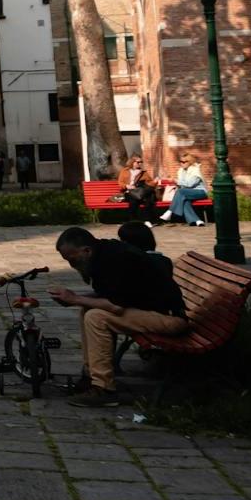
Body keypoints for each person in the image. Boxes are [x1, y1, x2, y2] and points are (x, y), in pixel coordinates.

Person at [50, 226, 188, 407]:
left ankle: (104, 388)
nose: (71, 264)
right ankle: (91, 376)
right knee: (86, 310)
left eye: (72, 259)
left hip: (170, 319)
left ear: (86, 250)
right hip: (149, 311)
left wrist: (75, 298)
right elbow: (110, 296)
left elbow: (115, 307)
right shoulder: (102, 255)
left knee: (96, 317)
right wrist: (76, 299)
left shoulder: (114, 260)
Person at [160, 154, 208, 226]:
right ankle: (197, 220)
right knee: (184, 200)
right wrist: (177, 183)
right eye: (180, 161)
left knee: (180, 192)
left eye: (184, 162)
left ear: (190, 162)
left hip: (200, 192)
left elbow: (190, 184)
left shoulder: (195, 170)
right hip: (187, 193)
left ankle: (170, 211)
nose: (182, 163)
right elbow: (183, 185)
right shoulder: (181, 171)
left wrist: (175, 181)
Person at [117, 156, 160, 221]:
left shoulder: (143, 172)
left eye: (141, 162)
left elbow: (149, 184)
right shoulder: (124, 171)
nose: (140, 163)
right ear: (132, 162)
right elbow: (120, 182)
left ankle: (146, 220)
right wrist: (127, 186)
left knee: (148, 199)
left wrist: (155, 182)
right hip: (128, 192)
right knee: (134, 200)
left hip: (140, 192)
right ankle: (134, 220)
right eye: (138, 162)